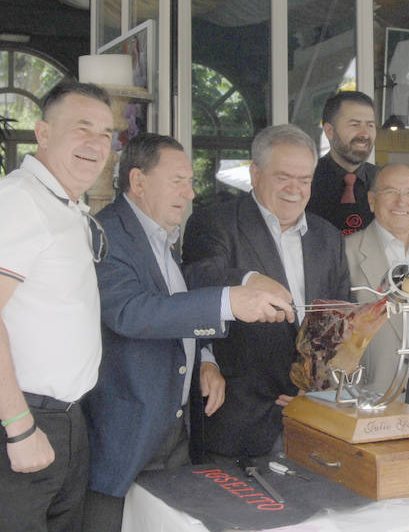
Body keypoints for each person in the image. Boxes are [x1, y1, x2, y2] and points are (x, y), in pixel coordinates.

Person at [81, 134, 293, 530]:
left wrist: (205, 359)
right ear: (138, 181)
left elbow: (174, 307)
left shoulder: (161, 236)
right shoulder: (106, 232)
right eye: (177, 180)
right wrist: (230, 301)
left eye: (190, 181)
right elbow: (130, 311)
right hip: (125, 435)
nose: (190, 192)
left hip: (174, 431)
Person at [183, 124, 350, 459]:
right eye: (284, 177)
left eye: (305, 180)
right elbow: (198, 280)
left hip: (312, 418)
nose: (296, 189)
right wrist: (248, 279)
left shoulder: (327, 236)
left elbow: (340, 316)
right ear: (254, 173)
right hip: (238, 421)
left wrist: (318, 388)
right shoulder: (214, 222)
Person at [0, 81, 114, 530]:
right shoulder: (19, 200)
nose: (97, 144)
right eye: (82, 128)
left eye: (106, 133)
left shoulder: (64, 205)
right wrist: (20, 427)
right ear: (43, 133)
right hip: (25, 417)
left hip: (67, 417)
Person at [345, 163, 409, 411]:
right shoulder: (346, 251)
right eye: (390, 192)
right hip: (372, 390)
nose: (401, 202)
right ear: (372, 200)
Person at [306, 91, 378, 236]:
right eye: (355, 125)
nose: (364, 134)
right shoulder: (304, 180)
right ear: (330, 131)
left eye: (370, 125)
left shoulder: (385, 181)